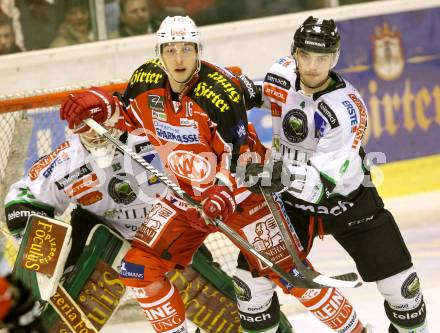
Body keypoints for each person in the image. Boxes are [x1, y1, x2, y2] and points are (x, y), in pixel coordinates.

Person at [58, 15, 373, 333]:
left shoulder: (220, 91)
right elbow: (127, 117)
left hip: (244, 197)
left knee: (296, 277)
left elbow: (239, 153)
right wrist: (98, 107)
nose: (179, 58)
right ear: (160, 53)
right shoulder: (145, 81)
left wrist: (221, 190)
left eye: (186, 49)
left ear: (198, 50)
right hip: (186, 200)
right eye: (170, 49)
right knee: (139, 269)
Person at [3, 113, 275, 332]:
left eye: (101, 123)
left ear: (115, 117)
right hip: (103, 236)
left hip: (163, 236)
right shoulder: (67, 160)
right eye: (85, 128)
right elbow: (22, 197)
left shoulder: (157, 139)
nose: (96, 134)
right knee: (56, 319)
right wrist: (40, 244)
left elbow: (218, 164)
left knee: (216, 306)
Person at [247, 16, 428, 333]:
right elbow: (256, 93)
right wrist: (233, 92)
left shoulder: (346, 109)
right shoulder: (282, 75)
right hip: (290, 207)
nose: (314, 66)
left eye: (323, 58)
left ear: (335, 58)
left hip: (347, 202)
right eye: (306, 56)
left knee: (404, 294)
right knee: (250, 288)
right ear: (295, 53)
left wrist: (275, 174)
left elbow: (322, 185)